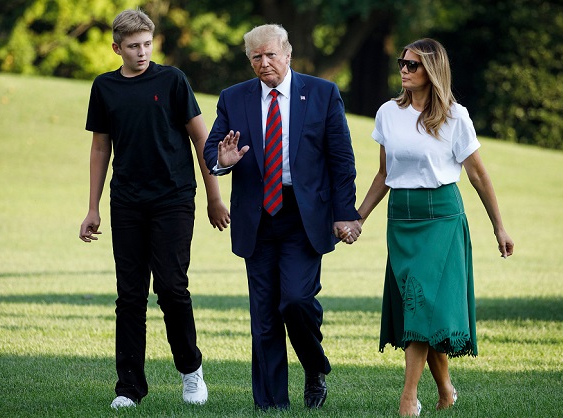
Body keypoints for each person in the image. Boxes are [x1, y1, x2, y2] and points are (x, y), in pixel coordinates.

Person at [202, 24, 361, 410]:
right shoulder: (233, 98)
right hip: (256, 218)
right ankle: (272, 405)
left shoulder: (321, 93)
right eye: (256, 56)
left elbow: (341, 160)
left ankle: (314, 366)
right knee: (265, 316)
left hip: (304, 216)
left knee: (294, 301)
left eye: (271, 54)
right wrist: (221, 163)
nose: (264, 63)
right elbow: (212, 152)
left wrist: (346, 214)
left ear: (288, 54)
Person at [78, 9, 230, 410]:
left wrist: (214, 197)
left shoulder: (173, 80)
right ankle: (129, 387)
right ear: (117, 48)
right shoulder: (104, 87)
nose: (142, 52)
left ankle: (191, 370)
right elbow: (99, 147)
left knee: (171, 288)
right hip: (126, 201)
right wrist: (92, 207)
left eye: (147, 44)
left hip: (174, 199)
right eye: (133, 46)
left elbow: (203, 142)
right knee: (129, 295)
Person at [356, 38, 514, 416]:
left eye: (413, 65)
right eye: (402, 64)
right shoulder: (387, 114)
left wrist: (499, 227)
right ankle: (445, 388)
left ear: (433, 71)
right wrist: (359, 217)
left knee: (421, 302)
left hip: (442, 217)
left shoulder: (455, 116)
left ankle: (408, 398)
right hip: (402, 218)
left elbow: (477, 173)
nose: (404, 70)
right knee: (421, 308)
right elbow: (384, 173)